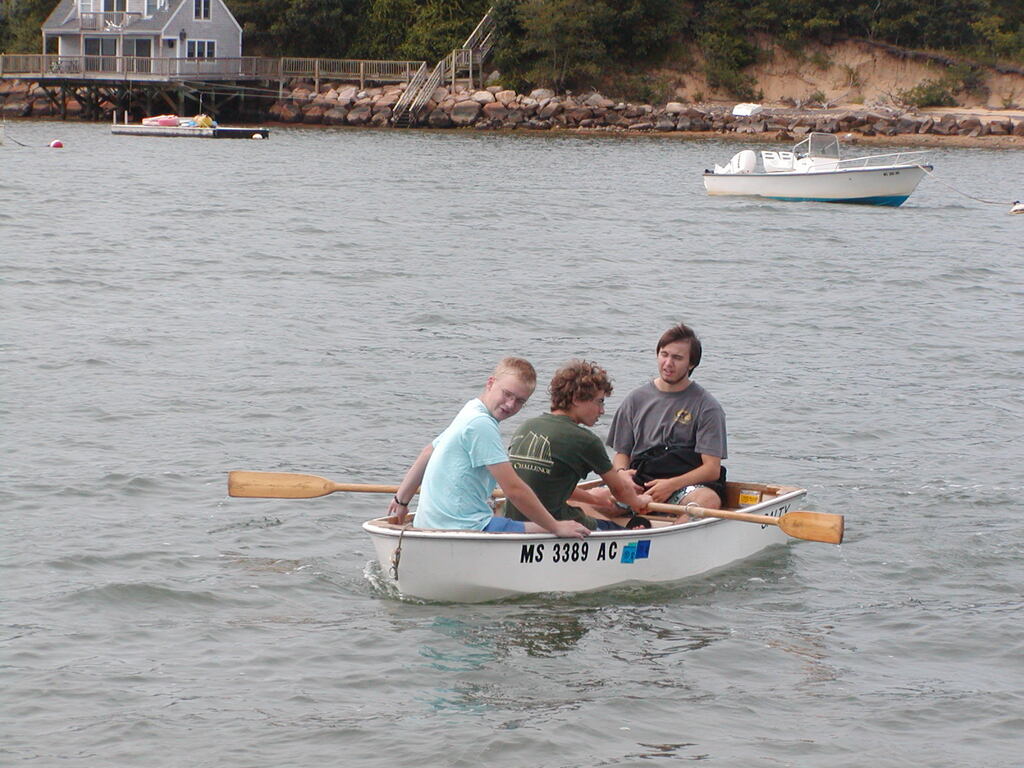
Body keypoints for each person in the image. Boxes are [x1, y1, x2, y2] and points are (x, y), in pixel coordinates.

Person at [387, 357, 590, 538]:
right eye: (507, 394)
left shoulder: (470, 410)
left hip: (428, 525)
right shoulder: (481, 424)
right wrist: (555, 526)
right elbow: (514, 490)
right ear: (490, 383)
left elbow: (428, 452)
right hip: (465, 528)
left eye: (520, 401)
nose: (510, 405)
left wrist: (402, 501)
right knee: (571, 527)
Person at [503, 360, 652, 530]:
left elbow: (546, 484)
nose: (602, 411)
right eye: (599, 401)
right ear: (575, 399)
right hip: (557, 526)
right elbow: (620, 491)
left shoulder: (525, 427)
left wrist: (594, 499)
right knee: (627, 529)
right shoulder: (585, 440)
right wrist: (639, 501)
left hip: (517, 524)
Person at [605, 323, 727, 515]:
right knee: (584, 501)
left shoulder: (707, 406)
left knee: (707, 501)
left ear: (691, 363)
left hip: (686, 486)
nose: (668, 363)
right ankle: (612, 533)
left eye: (677, 358)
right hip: (640, 482)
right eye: (664, 354)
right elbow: (622, 454)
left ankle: (673, 536)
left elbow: (712, 469)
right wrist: (622, 475)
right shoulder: (635, 399)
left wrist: (670, 485)